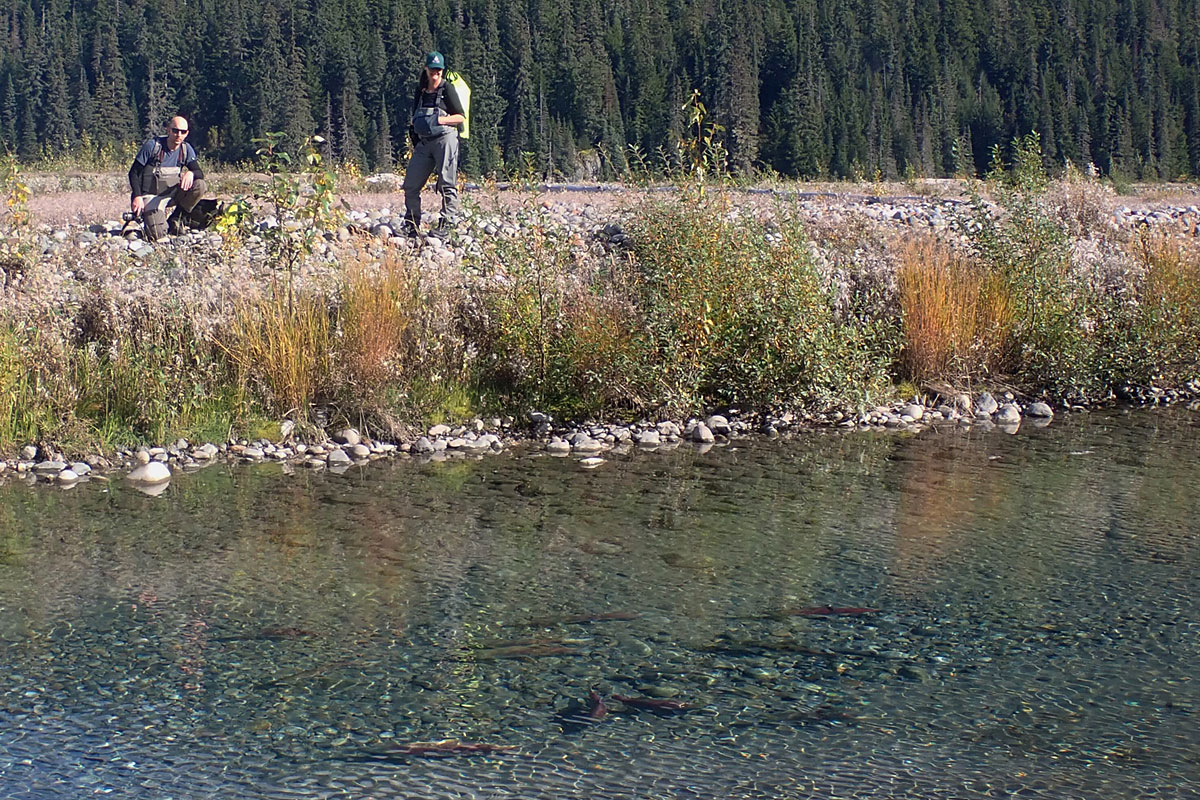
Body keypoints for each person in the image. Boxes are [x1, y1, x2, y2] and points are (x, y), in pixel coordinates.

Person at [402, 51, 466, 238]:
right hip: (424, 142)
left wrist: (441, 121)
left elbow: (461, 116)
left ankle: (448, 223)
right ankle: (411, 223)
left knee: (447, 183)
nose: (435, 74)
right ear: (426, 69)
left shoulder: (447, 89)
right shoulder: (420, 91)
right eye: (432, 70)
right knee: (410, 184)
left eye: (438, 71)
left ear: (442, 71)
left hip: (445, 139)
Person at [127, 116, 208, 241]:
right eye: (175, 130)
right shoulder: (152, 147)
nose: (178, 135)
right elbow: (133, 173)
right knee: (157, 236)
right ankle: (147, 221)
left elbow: (199, 173)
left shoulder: (186, 150)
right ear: (168, 130)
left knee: (200, 185)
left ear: (187, 133)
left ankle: (176, 218)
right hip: (150, 197)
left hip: (172, 195)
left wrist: (191, 173)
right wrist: (137, 197)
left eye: (183, 132)